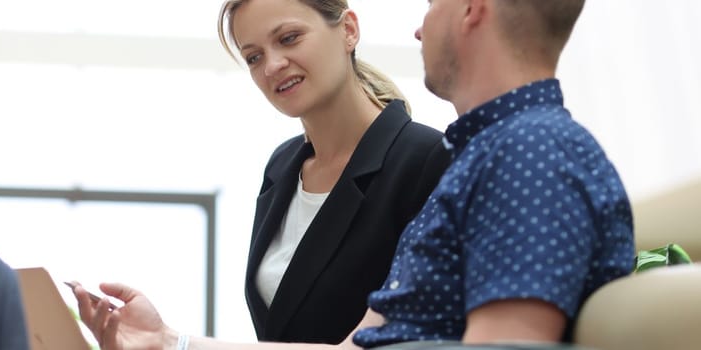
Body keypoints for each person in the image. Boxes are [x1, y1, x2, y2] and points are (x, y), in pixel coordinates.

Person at [72, 0, 635, 349]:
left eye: (433, 1)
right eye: (252, 56)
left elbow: (504, 348)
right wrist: (170, 343)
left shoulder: (527, 153)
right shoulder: (492, 157)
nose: (417, 29)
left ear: (472, 8)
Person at [218, 0, 451, 344]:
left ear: (348, 30)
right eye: (254, 57)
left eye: (289, 38)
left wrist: (174, 342)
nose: (271, 66)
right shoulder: (281, 166)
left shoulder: (429, 159)